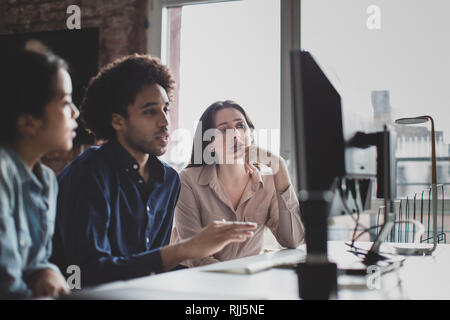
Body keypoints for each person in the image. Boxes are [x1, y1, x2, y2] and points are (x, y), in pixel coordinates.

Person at [51, 54, 256, 287]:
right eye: (150, 111)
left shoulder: (169, 179)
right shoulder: (88, 174)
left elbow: (153, 266)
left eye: (166, 109)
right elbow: (88, 273)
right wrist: (186, 249)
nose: (165, 122)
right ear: (118, 122)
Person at [170, 100, 305, 266]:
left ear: (251, 135)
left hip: (244, 279)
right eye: (224, 129)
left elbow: (293, 240)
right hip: (197, 279)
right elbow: (195, 255)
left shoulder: (269, 181)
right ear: (210, 144)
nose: (235, 134)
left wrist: (280, 167)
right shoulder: (188, 180)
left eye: (240, 126)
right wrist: (236, 276)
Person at [0, 46, 79, 298]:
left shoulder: (46, 179)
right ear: (28, 122)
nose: (75, 112)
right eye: (65, 102)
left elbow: (36, 260)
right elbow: (7, 286)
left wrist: (45, 271)